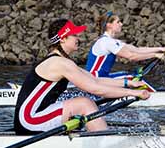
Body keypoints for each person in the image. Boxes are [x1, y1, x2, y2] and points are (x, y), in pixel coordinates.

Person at [14, 19, 150, 135]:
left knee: (83, 103)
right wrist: (132, 93)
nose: (78, 38)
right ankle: (103, 143)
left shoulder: (62, 61)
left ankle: (98, 134)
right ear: (63, 38)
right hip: (29, 120)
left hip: (37, 116)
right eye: (74, 35)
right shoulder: (59, 63)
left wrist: (129, 83)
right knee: (85, 103)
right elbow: (95, 89)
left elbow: (94, 79)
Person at [85, 11, 165, 89]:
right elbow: (132, 56)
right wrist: (155, 55)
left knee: (130, 74)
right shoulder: (106, 42)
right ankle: (145, 95)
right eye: (118, 22)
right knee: (133, 78)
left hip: (101, 78)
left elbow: (137, 50)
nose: (121, 24)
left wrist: (160, 49)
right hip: (95, 80)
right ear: (109, 25)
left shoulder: (113, 41)